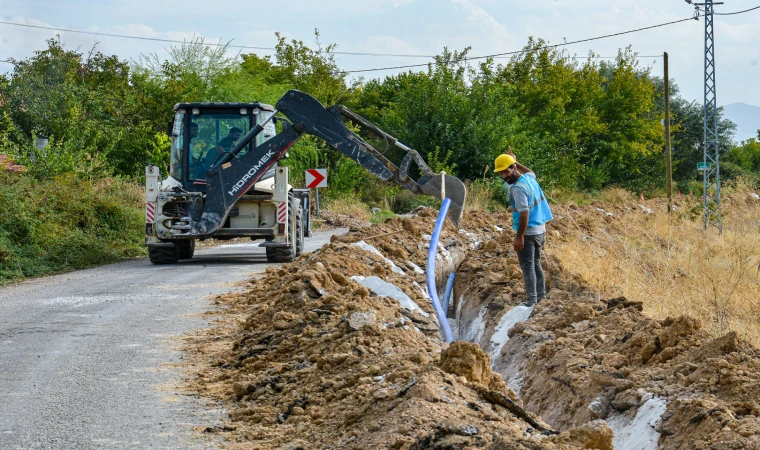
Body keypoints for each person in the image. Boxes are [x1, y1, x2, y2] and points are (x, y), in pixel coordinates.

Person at [494, 148, 554, 306]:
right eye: (500, 173)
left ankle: (531, 301)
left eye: (505, 172)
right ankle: (541, 298)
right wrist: (516, 161)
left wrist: (519, 236)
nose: (503, 176)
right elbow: (531, 171)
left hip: (527, 233)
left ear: (513, 168)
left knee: (528, 266)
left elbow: (524, 213)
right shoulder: (529, 178)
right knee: (536, 263)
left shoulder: (518, 189)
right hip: (540, 229)